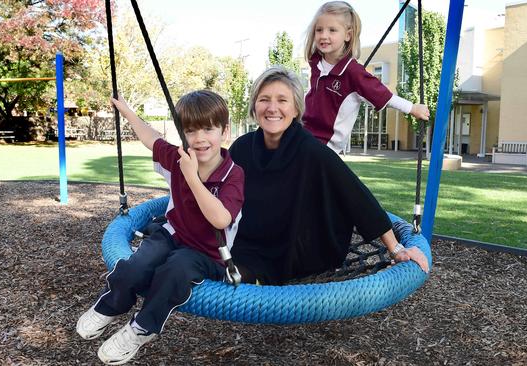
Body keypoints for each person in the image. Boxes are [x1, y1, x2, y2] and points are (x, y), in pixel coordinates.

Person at [76, 90, 244, 365]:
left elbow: (221, 220)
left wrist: (191, 178)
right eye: (190, 130)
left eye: (208, 128)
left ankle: (142, 328)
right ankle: (110, 305)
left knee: (173, 272)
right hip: (173, 233)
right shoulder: (178, 157)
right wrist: (127, 111)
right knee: (135, 265)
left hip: (208, 252)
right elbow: (150, 138)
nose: (200, 138)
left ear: (224, 132)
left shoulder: (233, 174)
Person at [229, 66, 429, 285]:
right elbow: (218, 189)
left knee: (249, 264)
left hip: (307, 242)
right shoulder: (241, 148)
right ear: (254, 106)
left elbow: (357, 196)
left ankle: (251, 274)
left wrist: (396, 248)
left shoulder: (310, 150)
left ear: (296, 109)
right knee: (226, 251)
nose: (272, 108)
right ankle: (242, 271)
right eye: (264, 99)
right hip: (261, 235)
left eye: (282, 100)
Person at [302, 1, 430, 153]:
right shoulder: (316, 63)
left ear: (348, 35)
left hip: (325, 147)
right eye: (319, 30)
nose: (324, 35)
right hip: (304, 135)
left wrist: (412, 108)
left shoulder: (353, 72)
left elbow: (384, 96)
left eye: (332, 30)